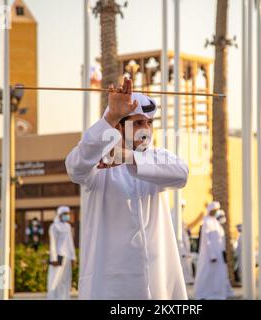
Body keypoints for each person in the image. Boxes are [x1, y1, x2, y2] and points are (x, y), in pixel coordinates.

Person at [65, 78, 188, 300]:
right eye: (138, 123)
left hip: (158, 282)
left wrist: (128, 158)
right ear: (119, 127)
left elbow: (182, 174)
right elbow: (75, 167)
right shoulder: (98, 162)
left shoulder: (157, 157)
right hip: (110, 285)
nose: (146, 129)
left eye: (149, 123)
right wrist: (110, 116)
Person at [194, 202, 230, 300]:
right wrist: (212, 255)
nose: (215, 212)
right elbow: (207, 240)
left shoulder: (216, 222)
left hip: (218, 254)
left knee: (217, 275)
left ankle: (216, 293)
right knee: (206, 274)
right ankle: (202, 294)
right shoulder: (206, 222)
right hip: (209, 255)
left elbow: (220, 240)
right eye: (214, 210)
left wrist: (222, 253)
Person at [47, 206, 76, 300]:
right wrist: (54, 259)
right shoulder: (54, 227)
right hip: (58, 257)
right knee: (55, 281)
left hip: (67, 258)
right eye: (65, 214)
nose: (67, 216)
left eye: (68, 214)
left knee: (66, 281)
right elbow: (53, 244)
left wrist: (73, 258)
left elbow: (70, 243)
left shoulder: (68, 226)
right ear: (60, 215)